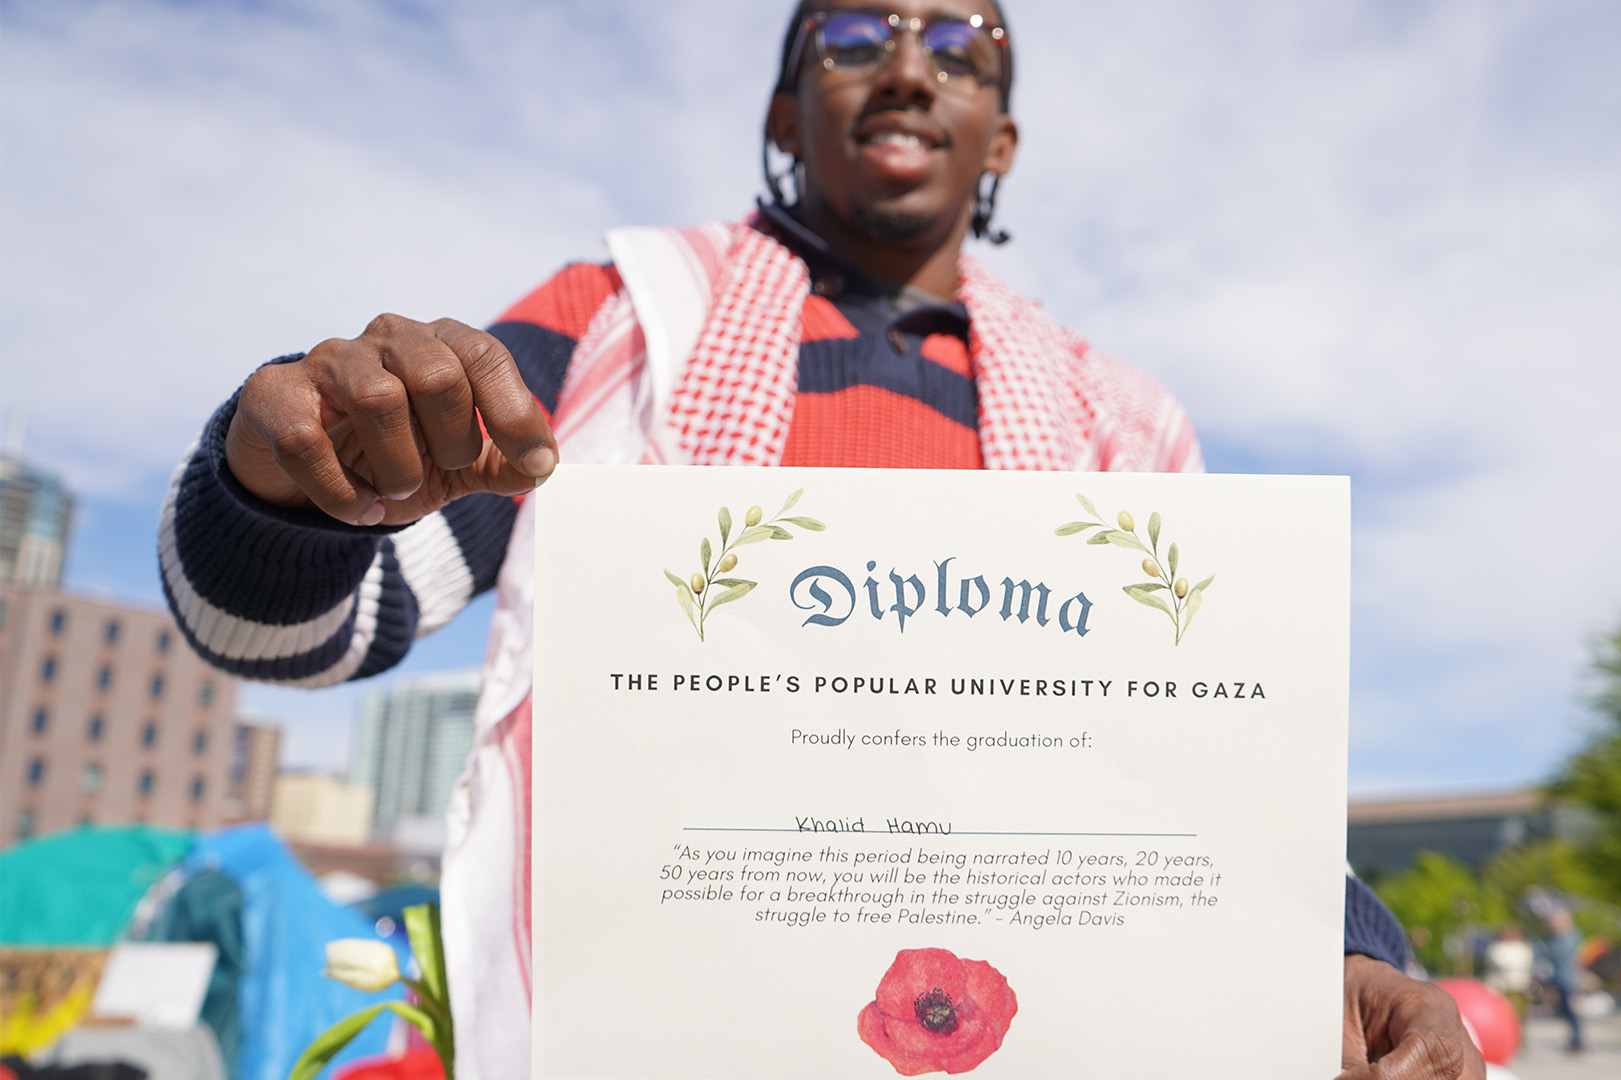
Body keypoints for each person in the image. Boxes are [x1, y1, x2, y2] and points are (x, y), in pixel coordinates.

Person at [156, 3, 1481, 1077]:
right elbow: (296, 637)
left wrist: (1349, 957)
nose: (907, 68)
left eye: (960, 47)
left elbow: (1209, 772)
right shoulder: (624, 325)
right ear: (787, 115)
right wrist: (290, 484)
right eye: (852, 38)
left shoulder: (1120, 421)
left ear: (1002, 140)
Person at [1483, 924, 1535, 1045]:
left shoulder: (1523, 948)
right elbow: (1498, 962)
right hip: (1502, 987)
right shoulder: (1497, 948)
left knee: (1519, 1015)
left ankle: (1518, 1039)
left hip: (1519, 987)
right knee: (1503, 1015)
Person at [1544, 909, 1585, 1053]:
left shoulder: (1568, 938)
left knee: (1572, 1012)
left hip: (1569, 980)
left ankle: (1577, 1041)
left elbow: (1558, 958)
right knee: (1567, 1012)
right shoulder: (1559, 938)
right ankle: (1574, 1040)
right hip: (1562, 979)